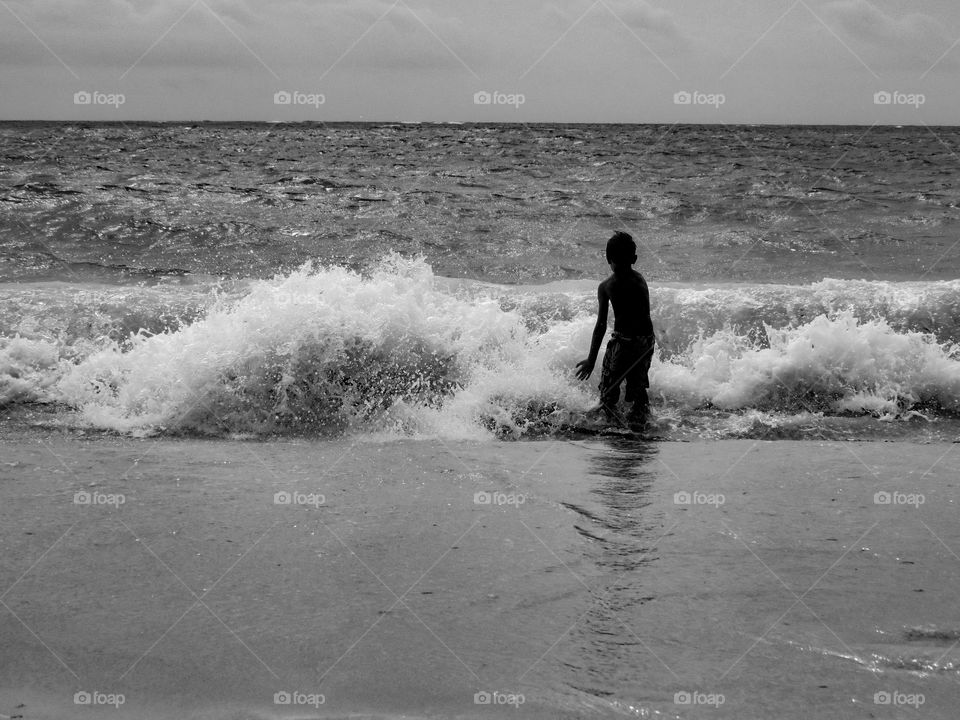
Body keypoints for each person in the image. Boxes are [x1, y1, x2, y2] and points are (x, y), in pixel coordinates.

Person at [575, 231, 655, 425]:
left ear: (608, 260)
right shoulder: (639, 280)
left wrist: (591, 360)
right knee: (638, 387)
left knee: (609, 388)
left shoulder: (607, 286)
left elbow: (601, 325)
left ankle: (612, 422)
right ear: (634, 259)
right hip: (645, 342)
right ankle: (641, 421)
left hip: (625, 342)